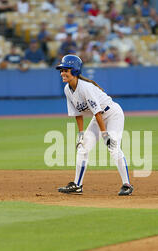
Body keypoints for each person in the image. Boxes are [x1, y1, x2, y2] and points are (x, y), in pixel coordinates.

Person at [56, 54, 133, 196]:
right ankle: (77, 185)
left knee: (113, 147)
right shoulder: (67, 89)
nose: (62, 73)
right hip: (99, 117)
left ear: (75, 71)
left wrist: (105, 135)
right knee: (83, 147)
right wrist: (80, 135)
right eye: (61, 70)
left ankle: (127, 184)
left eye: (66, 70)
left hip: (112, 114)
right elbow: (77, 114)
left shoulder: (85, 88)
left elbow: (97, 112)